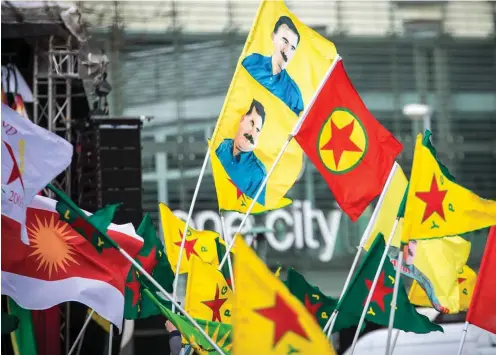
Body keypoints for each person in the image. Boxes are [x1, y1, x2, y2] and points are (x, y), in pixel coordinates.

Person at [242, 16, 304, 116]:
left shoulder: (293, 93)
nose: (287, 50)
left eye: (292, 48)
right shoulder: (252, 63)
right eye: (285, 41)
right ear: (273, 37)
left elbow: (297, 126)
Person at [215, 99, 267, 205]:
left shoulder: (257, 173)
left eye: (257, 130)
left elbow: (255, 211)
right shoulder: (221, 148)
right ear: (243, 119)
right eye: (252, 123)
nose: (252, 133)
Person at [388, 240, 447, 313]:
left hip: (399, 302)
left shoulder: (415, 265)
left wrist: (438, 304)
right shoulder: (386, 250)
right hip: (382, 295)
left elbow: (426, 281)